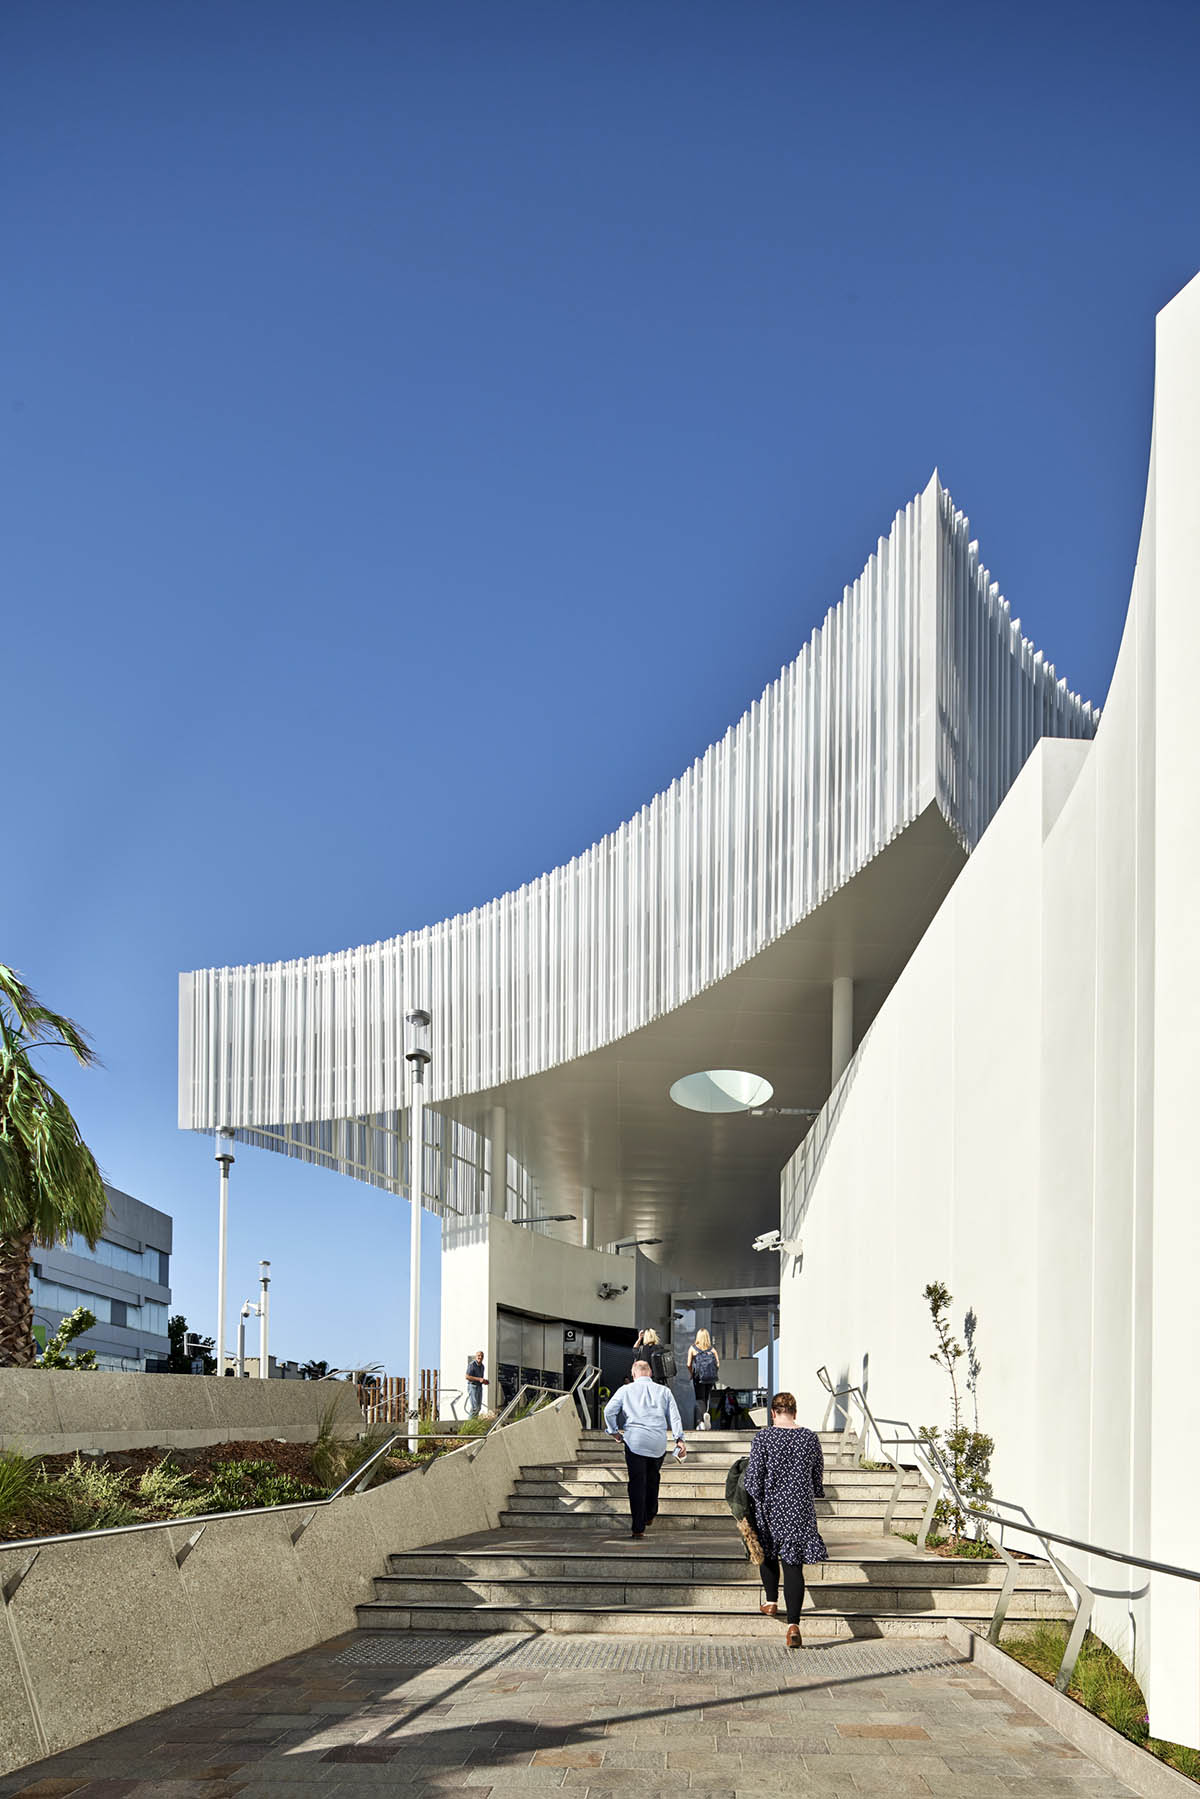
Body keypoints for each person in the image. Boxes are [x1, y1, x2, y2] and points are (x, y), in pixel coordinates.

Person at [743, 1390, 828, 1648]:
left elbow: (754, 1476)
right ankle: (793, 1624)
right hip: (799, 1508)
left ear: (773, 1413)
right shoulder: (809, 1438)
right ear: (795, 1412)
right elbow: (817, 1474)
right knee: (794, 1565)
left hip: (770, 1506)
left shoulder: (764, 1436)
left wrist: (751, 1500)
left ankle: (770, 1602)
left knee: (767, 1552)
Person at [603, 1358, 687, 1538]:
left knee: (636, 1483)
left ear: (633, 1375)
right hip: (657, 1442)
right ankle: (650, 1513)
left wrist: (614, 1432)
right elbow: (675, 1416)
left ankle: (638, 1527)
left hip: (635, 1442)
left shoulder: (625, 1390)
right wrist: (679, 1439)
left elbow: (608, 1411)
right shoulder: (664, 1391)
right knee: (652, 1478)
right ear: (650, 1373)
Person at [687, 1329, 719, 1430]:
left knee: (699, 1398)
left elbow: (688, 1364)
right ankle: (706, 1415)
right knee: (706, 1397)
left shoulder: (693, 1348)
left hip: (698, 1377)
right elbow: (717, 1364)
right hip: (710, 1378)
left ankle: (700, 1421)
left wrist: (692, 1373)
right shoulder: (712, 1350)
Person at [464, 1348, 486, 1417]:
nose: (480, 1357)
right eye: (479, 1355)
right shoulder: (472, 1365)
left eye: (482, 1356)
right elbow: (467, 1376)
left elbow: (480, 1379)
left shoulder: (482, 1366)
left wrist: (484, 1381)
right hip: (472, 1386)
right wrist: (479, 1379)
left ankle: (474, 1422)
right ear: (476, 1356)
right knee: (475, 1407)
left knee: (478, 1408)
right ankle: (470, 1423)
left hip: (479, 1387)